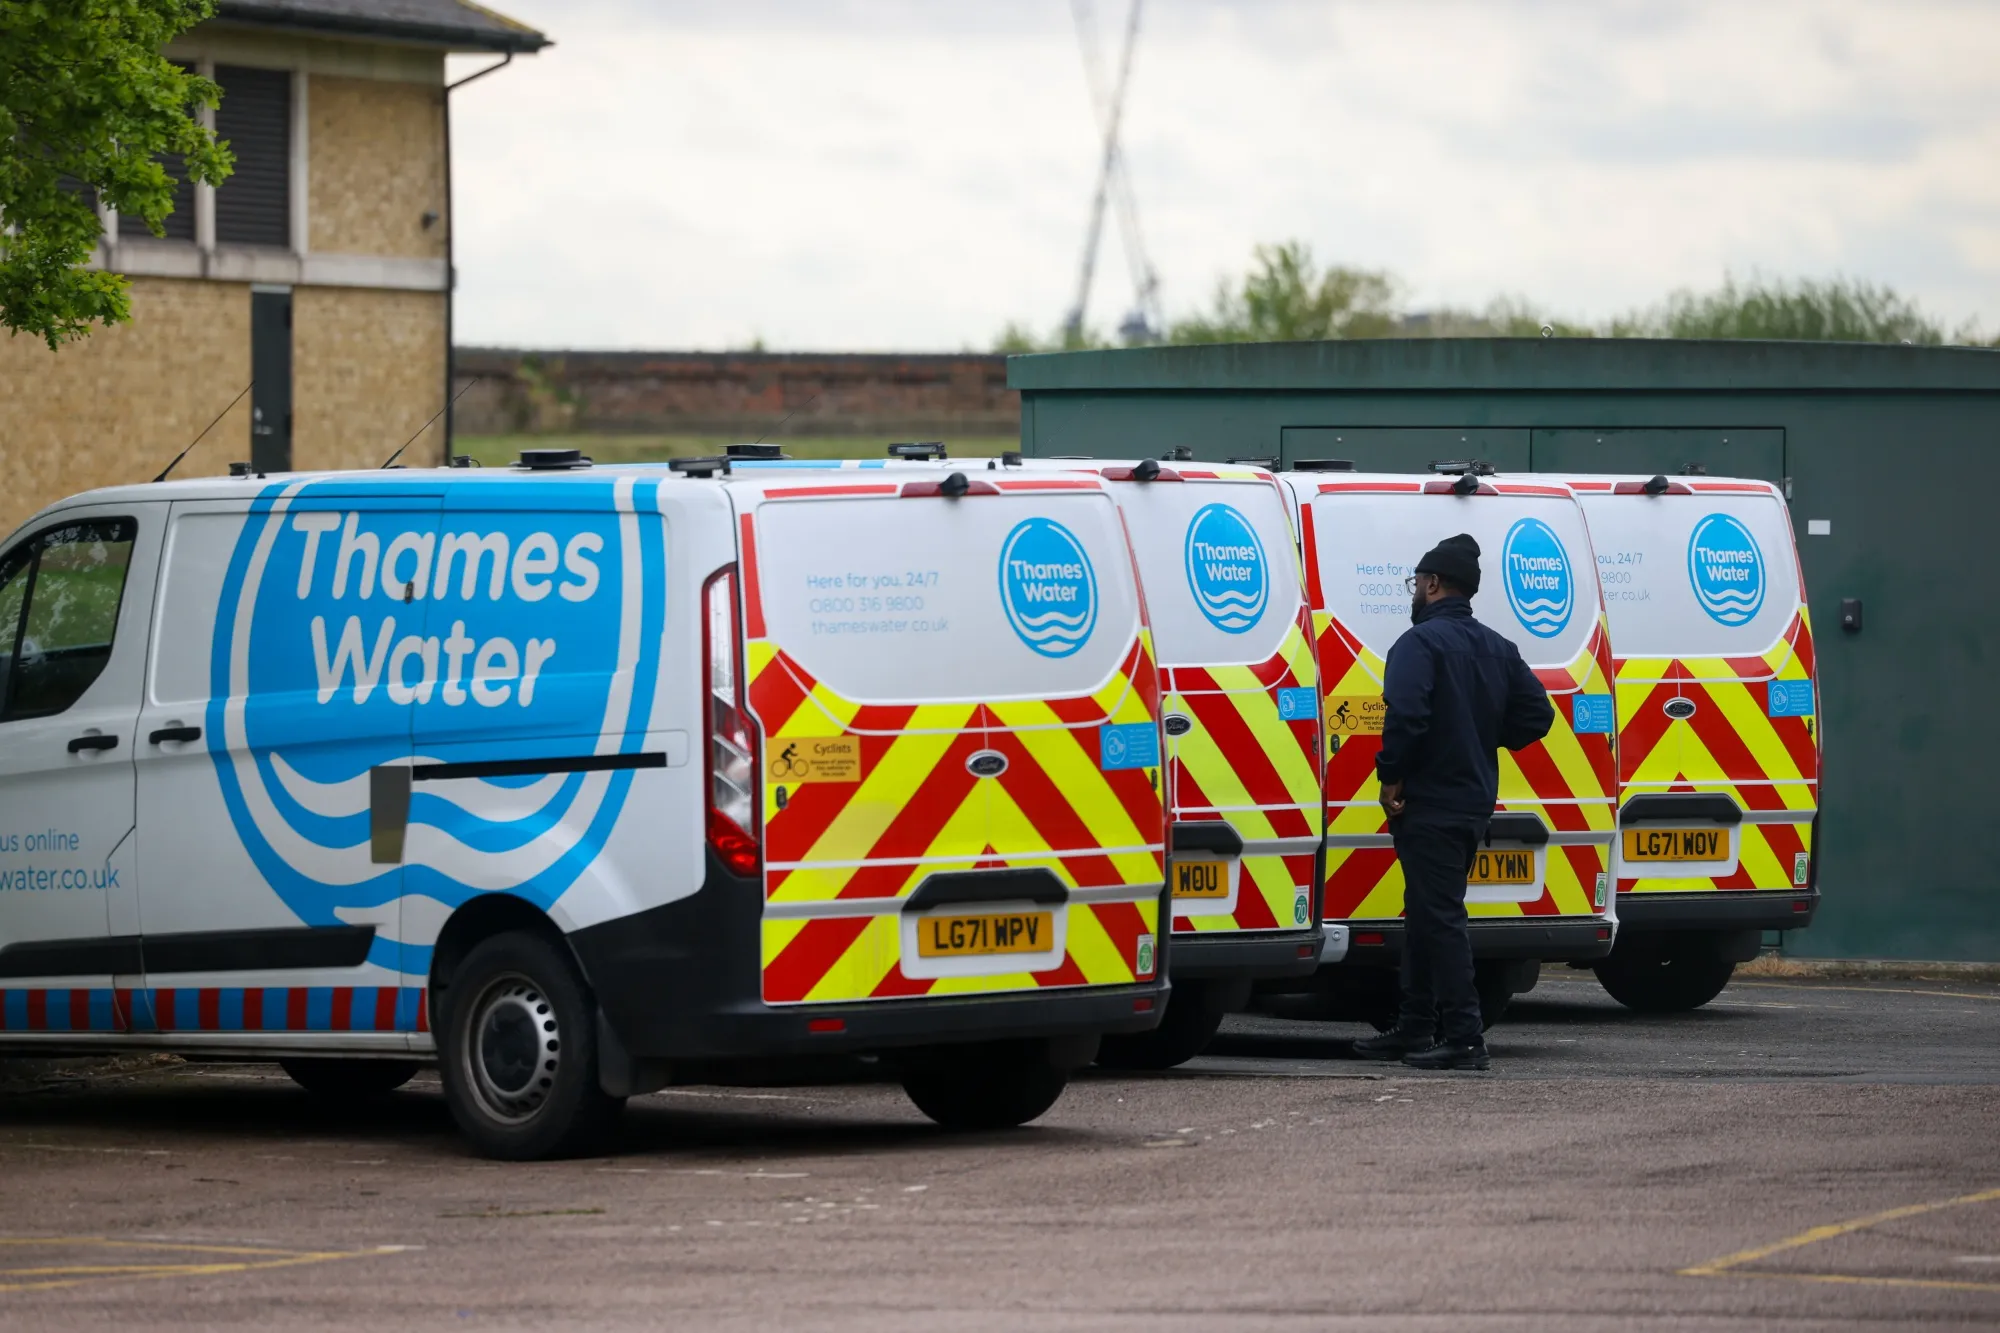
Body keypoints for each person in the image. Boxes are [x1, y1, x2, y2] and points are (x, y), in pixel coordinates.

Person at [1352, 533, 1553, 1071]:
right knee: (1424, 912)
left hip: (1430, 802)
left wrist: (1391, 777)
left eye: (1417, 582)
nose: (1414, 591)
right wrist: (1480, 734)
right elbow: (1538, 716)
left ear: (1434, 584)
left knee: (1439, 918)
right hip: (1471, 801)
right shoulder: (1497, 646)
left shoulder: (1417, 644)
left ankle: (1465, 1036)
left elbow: (1407, 718)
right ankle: (1415, 1027)